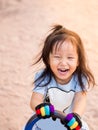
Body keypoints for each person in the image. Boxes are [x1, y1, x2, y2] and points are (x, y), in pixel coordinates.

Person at [30, 24, 95, 130]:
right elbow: (35, 99)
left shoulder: (79, 78)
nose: (63, 63)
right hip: (45, 121)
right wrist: (40, 106)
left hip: (69, 122)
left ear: (78, 61)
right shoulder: (43, 77)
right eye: (57, 57)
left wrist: (76, 114)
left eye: (70, 58)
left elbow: (80, 99)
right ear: (48, 59)